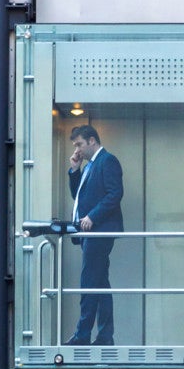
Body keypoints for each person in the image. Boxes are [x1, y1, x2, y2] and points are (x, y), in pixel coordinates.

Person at [64, 125, 124, 346]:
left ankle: (82, 335)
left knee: (89, 282)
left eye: (79, 144)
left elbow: (115, 193)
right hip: (90, 232)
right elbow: (78, 195)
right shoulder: (90, 165)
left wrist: (93, 217)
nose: (77, 149)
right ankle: (105, 336)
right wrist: (75, 169)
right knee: (100, 284)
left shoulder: (107, 161)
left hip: (99, 231)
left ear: (92, 141)